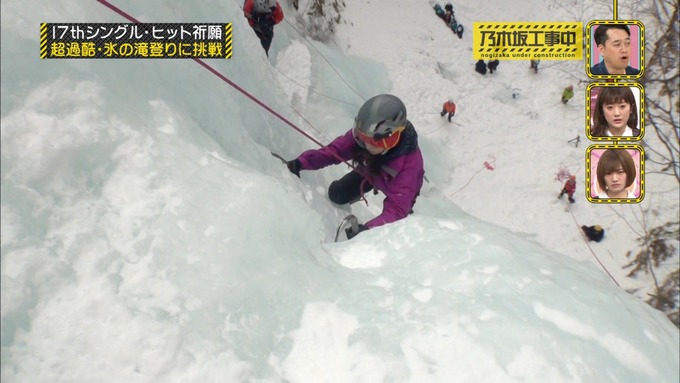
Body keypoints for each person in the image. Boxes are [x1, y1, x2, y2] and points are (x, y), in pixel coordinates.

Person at [286, 94, 425, 239]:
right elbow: (334, 151)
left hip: (394, 183)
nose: (367, 145)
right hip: (370, 170)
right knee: (337, 194)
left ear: (391, 139)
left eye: (374, 142)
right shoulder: (363, 138)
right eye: (363, 138)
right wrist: (301, 162)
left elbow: (396, 209)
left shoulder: (409, 167)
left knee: (398, 222)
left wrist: (368, 230)